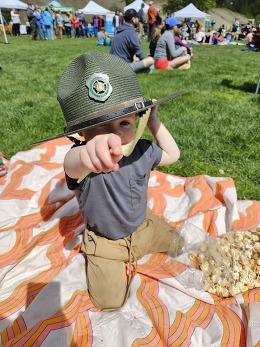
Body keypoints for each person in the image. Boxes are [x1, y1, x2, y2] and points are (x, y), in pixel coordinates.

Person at [42, 51, 184, 310]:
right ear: (81, 134)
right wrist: (88, 151)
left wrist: (154, 122)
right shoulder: (84, 161)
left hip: (144, 227)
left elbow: (173, 155)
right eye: (99, 127)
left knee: (180, 245)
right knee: (108, 302)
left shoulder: (141, 149)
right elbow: (71, 165)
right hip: (106, 243)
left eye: (124, 123)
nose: (114, 136)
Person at [110, 9, 154, 73]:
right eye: (137, 18)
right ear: (133, 19)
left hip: (113, 66)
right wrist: (146, 62)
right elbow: (139, 53)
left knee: (137, 60)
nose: (138, 20)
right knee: (150, 60)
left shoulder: (119, 31)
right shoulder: (131, 33)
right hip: (123, 67)